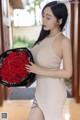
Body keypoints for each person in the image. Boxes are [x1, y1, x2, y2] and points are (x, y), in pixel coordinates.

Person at [25, 1, 72, 120]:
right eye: (43, 16)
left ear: (59, 21)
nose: (44, 20)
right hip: (40, 92)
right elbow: (35, 66)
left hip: (53, 94)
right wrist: (28, 78)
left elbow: (68, 73)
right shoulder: (43, 39)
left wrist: (39, 70)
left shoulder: (63, 41)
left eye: (48, 17)